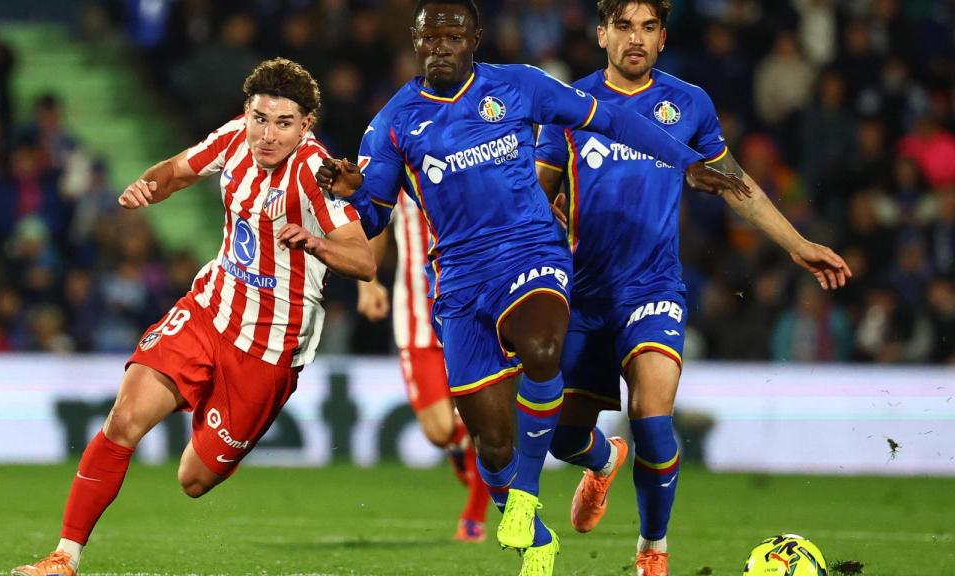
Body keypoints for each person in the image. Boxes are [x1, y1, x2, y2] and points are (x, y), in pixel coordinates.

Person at [315, 1, 748, 574]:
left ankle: (525, 497)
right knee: (493, 445)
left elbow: (610, 119)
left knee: (544, 350)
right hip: (460, 281)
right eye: (431, 36)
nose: (442, 45)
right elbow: (373, 216)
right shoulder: (394, 120)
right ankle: (542, 533)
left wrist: (684, 159)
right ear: (416, 42)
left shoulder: (518, 86)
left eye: (454, 34)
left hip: (532, 252)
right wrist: (348, 193)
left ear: (475, 39)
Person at [11, 57, 375, 576]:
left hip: (268, 346)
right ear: (246, 114)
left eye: (283, 124)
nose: (267, 135)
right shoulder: (233, 139)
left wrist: (314, 242)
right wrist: (146, 186)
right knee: (123, 420)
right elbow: (177, 171)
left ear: (306, 125)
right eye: (259, 118)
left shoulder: (314, 174)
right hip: (208, 309)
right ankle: (64, 557)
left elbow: (363, 260)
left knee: (193, 480)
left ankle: (210, 410)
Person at [532, 2, 852, 575]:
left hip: (653, 287)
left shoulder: (687, 104)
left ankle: (652, 550)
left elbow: (735, 184)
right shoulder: (569, 105)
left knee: (654, 417)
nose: (636, 39)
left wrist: (796, 243)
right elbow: (534, 191)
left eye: (648, 28)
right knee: (563, 437)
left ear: (662, 38)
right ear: (601, 33)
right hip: (583, 295)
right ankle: (603, 461)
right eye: (624, 27)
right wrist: (538, 212)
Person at [356, 192, 491, 543]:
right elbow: (373, 223)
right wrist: (368, 282)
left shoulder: (475, 151)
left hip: (472, 310)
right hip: (416, 315)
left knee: (480, 420)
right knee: (439, 430)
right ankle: (463, 449)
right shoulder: (397, 157)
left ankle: (474, 516)